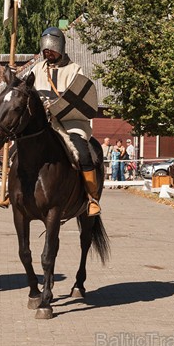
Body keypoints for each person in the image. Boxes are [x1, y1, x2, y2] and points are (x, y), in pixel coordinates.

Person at [30, 26, 101, 216]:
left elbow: (78, 97)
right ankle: (15, 192)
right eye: (45, 49)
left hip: (70, 122)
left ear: (59, 48)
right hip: (44, 123)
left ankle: (92, 197)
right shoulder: (37, 69)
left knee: (83, 154)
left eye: (51, 49)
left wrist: (54, 104)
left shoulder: (73, 70)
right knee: (16, 150)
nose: (48, 52)